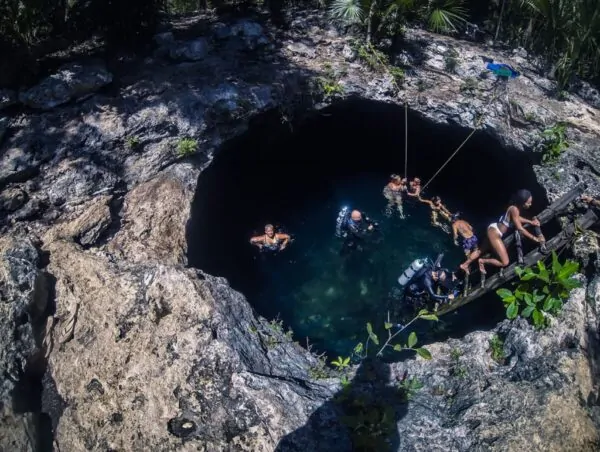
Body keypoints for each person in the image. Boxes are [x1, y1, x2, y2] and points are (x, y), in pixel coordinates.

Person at [460, 189, 545, 275]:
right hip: (495, 233)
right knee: (505, 262)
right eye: (528, 203)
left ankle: (464, 265)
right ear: (522, 202)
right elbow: (520, 228)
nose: (530, 204)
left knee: (480, 251)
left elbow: (517, 218)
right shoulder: (514, 209)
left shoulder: (514, 207)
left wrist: (531, 222)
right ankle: (482, 261)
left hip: (493, 228)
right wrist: (535, 238)